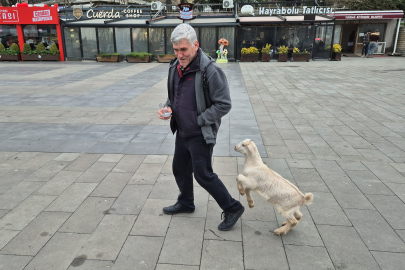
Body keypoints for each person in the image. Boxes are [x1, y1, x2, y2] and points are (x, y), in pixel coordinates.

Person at [157, 23, 245, 231]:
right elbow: (174, 97)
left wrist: (199, 120)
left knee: (203, 174)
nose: (179, 54)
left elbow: (224, 104)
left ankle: (233, 207)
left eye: (184, 49)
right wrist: (166, 108)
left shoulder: (211, 71)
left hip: (200, 133)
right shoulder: (175, 67)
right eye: (176, 50)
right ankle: (186, 202)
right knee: (179, 168)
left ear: (196, 45)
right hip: (182, 130)